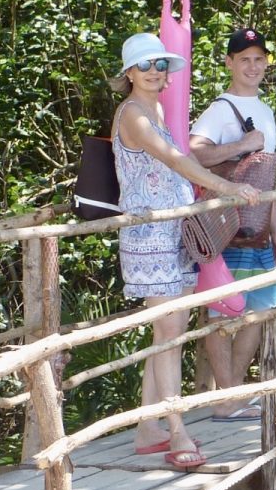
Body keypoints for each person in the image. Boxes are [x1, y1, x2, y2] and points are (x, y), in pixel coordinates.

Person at [108, 32, 260, 468]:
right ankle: (177, 432)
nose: (155, 72)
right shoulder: (134, 114)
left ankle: (148, 427)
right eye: (146, 66)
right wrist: (227, 187)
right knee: (170, 332)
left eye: (161, 65)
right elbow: (175, 160)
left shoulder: (154, 108)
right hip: (149, 235)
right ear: (129, 74)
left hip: (176, 230)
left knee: (168, 332)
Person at [189, 28, 276, 420]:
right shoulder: (219, 108)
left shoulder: (265, 109)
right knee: (221, 312)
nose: (252, 65)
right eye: (243, 58)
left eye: (258, 58)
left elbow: (265, 177)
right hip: (226, 227)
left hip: (258, 226)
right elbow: (194, 152)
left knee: (261, 309)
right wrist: (241, 146)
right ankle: (227, 397)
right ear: (229, 63)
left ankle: (232, 393)